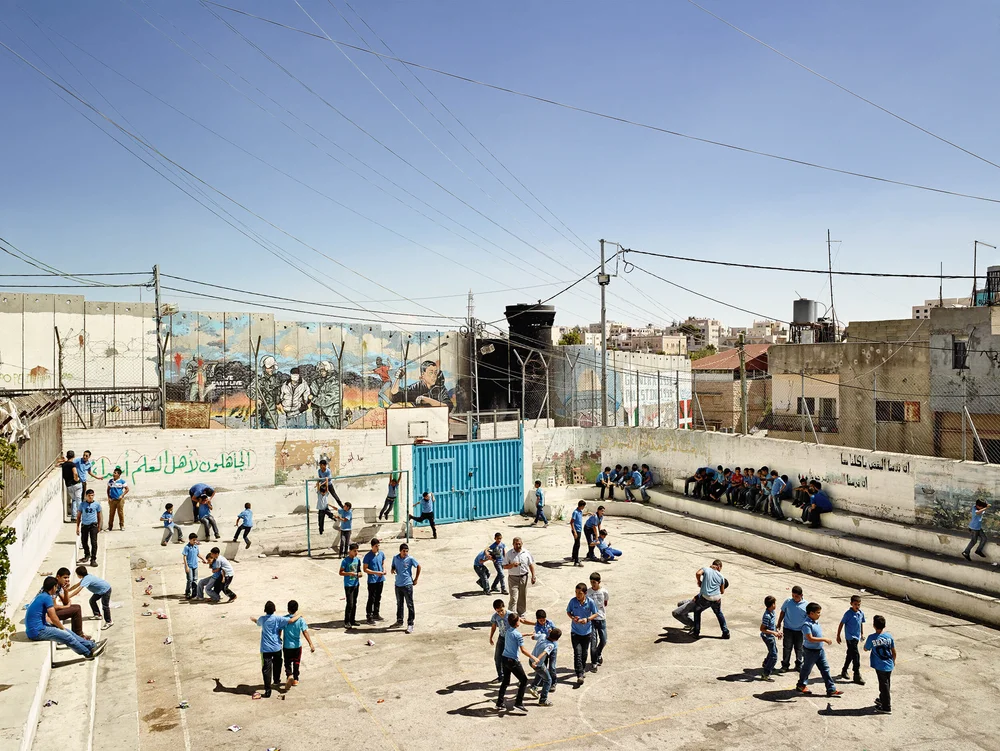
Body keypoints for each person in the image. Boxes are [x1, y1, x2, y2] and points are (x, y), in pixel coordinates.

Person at [26, 577, 105, 659]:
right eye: (56, 587)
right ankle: (88, 653)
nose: (56, 589)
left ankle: (92, 645)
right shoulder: (47, 598)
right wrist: (61, 627)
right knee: (67, 636)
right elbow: (53, 617)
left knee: (69, 632)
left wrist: (61, 628)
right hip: (37, 632)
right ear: (53, 587)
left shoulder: (42, 596)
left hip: (38, 628)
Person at [251, 600, 302, 698]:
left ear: (265, 610)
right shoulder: (278, 619)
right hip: (276, 647)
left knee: (266, 669)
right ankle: (276, 680)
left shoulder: (262, 619)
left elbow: (257, 622)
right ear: (274, 610)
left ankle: (267, 690)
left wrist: (253, 619)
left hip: (265, 649)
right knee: (278, 663)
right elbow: (291, 620)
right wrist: (299, 615)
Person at [796, 603, 843, 697]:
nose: (819, 614)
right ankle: (801, 685)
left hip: (819, 651)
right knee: (806, 669)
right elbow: (810, 638)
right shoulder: (806, 625)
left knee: (825, 669)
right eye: (818, 613)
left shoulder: (815, 622)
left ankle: (831, 689)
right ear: (811, 613)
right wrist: (824, 639)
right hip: (810, 651)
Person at [495, 611, 532, 713]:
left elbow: (516, 635)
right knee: (524, 680)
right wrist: (533, 657)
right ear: (517, 623)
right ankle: (518, 702)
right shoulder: (517, 635)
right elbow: (523, 650)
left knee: (505, 681)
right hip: (513, 661)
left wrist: (528, 634)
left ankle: (499, 702)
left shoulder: (507, 631)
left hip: (504, 659)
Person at [567, 582, 599, 686]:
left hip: (587, 632)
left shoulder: (590, 602)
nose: (577, 595)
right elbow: (568, 612)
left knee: (584, 653)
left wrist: (587, 619)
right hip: (575, 632)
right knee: (577, 653)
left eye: (579, 593)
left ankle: (582, 668)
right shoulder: (573, 602)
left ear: (585, 593)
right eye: (576, 593)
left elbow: (596, 613)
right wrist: (573, 618)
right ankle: (579, 674)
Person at [864, 615, 896, 714]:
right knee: (886, 683)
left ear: (874, 625)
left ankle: (886, 706)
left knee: (883, 685)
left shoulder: (872, 638)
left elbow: (866, 648)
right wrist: (893, 661)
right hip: (889, 663)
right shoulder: (889, 636)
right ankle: (882, 699)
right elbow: (893, 651)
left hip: (880, 665)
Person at [692, 559, 729, 639]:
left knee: (697, 611)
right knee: (719, 613)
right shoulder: (721, 576)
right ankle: (725, 632)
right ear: (719, 567)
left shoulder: (706, 569)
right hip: (717, 598)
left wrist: (699, 581)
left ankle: (696, 632)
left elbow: (698, 573)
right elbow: (722, 592)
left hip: (706, 598)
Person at [283, 599, 315, 689]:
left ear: (288, 609)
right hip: (297, 646)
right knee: (296, 662)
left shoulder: (284, 619)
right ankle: (296, 679)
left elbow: (279, 630)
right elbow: (305, 632)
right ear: (296, 609)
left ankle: (289, 675)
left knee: (287, 662)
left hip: (287, 646)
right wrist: (311, 644)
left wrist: (279, 639)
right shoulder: (301, 620)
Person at [502, 537, 536, 618]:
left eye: (519, 544)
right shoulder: (509, 554)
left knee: (522, 596)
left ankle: (521, 613)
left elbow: (531, 565)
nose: (518, 545)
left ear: (522, 544)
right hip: (513, 578)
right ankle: (511, 615)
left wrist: (533, 576)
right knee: (513, 597)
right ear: (513, 544)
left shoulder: (526, 553)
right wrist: (512, 565)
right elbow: (504, 566)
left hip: (524, 577)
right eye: (516, 544)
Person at [527, 627, 561, 707]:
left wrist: (533, 634)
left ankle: (534, 687)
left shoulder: (542, 635)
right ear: (556, 639)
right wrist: (536, 661)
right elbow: (544, 653)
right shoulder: (551, 645)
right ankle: (543, 700)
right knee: (548, 680)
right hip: (538, 664)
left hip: (530, 660)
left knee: (541, 673)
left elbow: (533, 637)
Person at [391, 543, 420, 633]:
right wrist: (393, 569)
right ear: (400, 551)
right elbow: (393, 566)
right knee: (399, 604)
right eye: (404, 551)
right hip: (398, 585)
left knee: (409, 604)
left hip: (407, 584)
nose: (405, 553)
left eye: (407, 551)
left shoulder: (410, 559)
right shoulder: (395, 558)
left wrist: (415, 579)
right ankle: (399, 620)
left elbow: (418, 566)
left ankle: (410, 623)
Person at [837, 595, 866, 684]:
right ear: (851, 604)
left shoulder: (861, 613)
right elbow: (841, 623)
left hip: (856, 637)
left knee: (850, 654)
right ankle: (856, 673)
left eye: (859, 604)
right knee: (856, 654)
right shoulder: (848, 614)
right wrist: (838, 635)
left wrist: (862, 634)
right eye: (855, 604)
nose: (857, 606)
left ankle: (844, 670)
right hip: (850, 637)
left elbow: (861, 623)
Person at [778, 585, 808, 672]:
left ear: (801, 595)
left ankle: (799, 664)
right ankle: (785, 665)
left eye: (797, 596)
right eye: (793, 596)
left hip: (800, 631)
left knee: (799, 648)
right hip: (788, 629)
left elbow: (808, 618)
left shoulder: (806, 605)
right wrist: (779, 623)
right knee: (787, 647)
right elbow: (782, 612)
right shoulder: (788, 602)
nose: (794, 598)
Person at [51, 567, 86, 639]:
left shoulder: (59, 586)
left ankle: (78, 635)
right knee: (76, 610)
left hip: (50, 611)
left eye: (68, 577)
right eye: (65, 577)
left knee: (77, 607)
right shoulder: (53, 586)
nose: (67, 580)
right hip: (46, 615)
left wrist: (66, 591)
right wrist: (66, 607)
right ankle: (79, 636)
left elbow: (65, 602)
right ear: (58, 577)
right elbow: (53, 606)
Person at [587, 572, 609, 671]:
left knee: (604, 640)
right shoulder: (588, 592)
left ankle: (598, 653)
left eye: (594, 582)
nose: (592, 584)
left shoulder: (604, 592)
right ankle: (594, 662)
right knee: (593, 642)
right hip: (591, 619)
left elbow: (605, 603)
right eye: (591, 582)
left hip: (601, 618)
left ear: (599, 582)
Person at [363, 538, 386, 624]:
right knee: (371, 598)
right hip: (372, 580)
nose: (377, 547)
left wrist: (384, 570)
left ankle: (376, 613)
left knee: (378, 597)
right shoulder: (368, 556)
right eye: (376, 546)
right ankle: (369, 615)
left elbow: (383, 562)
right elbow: (365, 569)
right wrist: (376, 573)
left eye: (378, 546)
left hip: (380, 579)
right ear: (372, 546)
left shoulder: (381, 554)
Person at [759, 595, 782, 680]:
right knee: (774, 656)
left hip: (771, 636)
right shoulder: (767, 616)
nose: (776, 605)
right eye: (775, 603)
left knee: (773, 651)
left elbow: (772, 625)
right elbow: (762, 629)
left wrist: (777, 631)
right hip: (767, 637)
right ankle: (766, 673)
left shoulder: (772, 613)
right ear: (772, 605)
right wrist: (774, 633)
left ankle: (766, 663)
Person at [77, 489, 103, 565]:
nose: (91, 497)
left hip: (93, 525)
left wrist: (99, 526)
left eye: (92, 495)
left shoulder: (96, 505)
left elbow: (99, 516)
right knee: (84, 541)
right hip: (85, 525)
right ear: (86, 496)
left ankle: (93, 559)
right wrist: (77, 527)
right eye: (89, 496)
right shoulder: (82, 505)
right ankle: (87, 555)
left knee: (94, 542)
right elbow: (78, 516)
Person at [340, 542, 362, 628]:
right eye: (354, 551)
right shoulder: (345, 561)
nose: (356, 553)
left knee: (355, 602)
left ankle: (352, 619)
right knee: (350, 603)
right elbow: (341, 572)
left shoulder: (357, 560)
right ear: (350, 551)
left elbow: (359, 570)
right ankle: (347, 621)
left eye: (357, 551)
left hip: (356, 584)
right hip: (348, 585)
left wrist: (359, 574)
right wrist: (349, 573)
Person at [489, 599, 510, 683]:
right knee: (497, 658)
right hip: (501, 637)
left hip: (510, 639)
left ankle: (520, 677)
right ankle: (501, 676)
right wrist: (491, 637)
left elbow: (520, 621)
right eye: (498, 611)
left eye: (501, 610)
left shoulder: (510, 614)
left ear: (504, 607)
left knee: (511, 659)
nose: (500, 613)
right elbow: (494, 627)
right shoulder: (495, 616)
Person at [182, 533, 205, 600]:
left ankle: (194, 593)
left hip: (195, 565)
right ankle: (188, 592)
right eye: (193, 540)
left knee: (195, 580)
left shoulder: (196, 546)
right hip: (189, 566)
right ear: (190, 540)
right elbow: (184, 557)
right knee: (190, 580)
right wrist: (186, 566)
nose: (195, 541)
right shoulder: (187, 547)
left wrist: (203, 559)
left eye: (195, 540)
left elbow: (198, 554)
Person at [62, 450, 82, 519]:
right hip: (76, 484)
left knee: (73, 499)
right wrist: (77, 479)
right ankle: (79, 516)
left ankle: (73, 516)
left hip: (68, 485)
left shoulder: (64, 465)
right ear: (74, 456)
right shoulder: (72, 464)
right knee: (78, 500)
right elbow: (75, 473)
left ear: (67, 456)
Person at [569, 501, 587, 567]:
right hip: (576, 530)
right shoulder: (575, 512)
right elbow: (571, 522)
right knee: (577, 545)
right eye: (583, 506)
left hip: (579, 530)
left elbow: (581, 515)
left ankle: (574, 556)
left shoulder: (580, 511)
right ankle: (576, 560)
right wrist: (575, 532)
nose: (584, 507)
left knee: (576, 544)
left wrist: (587, 513)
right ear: (581, 506)